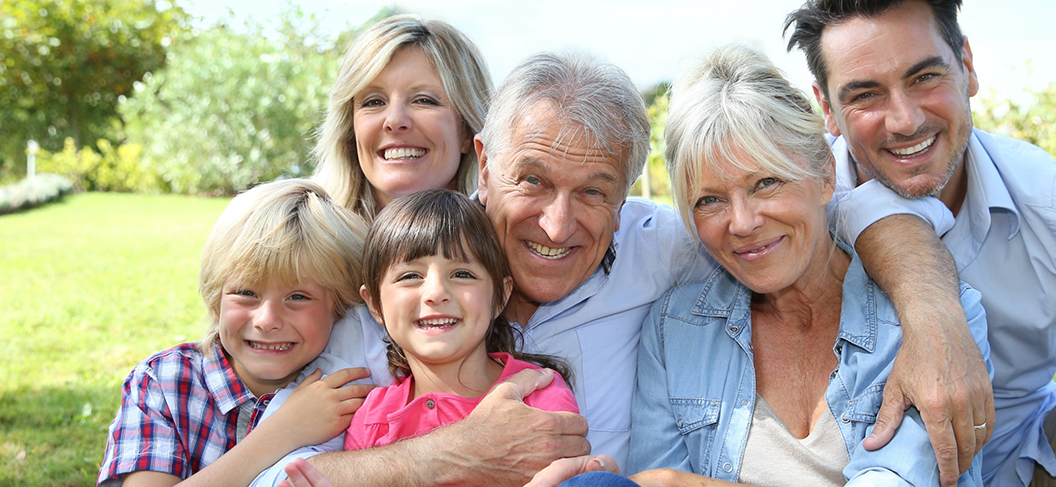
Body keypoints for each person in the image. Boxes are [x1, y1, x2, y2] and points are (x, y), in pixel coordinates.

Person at [251, 50, 987, 487]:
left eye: (593, 193)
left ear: (629, 192)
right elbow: (272, 479)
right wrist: (453, 452)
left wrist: (930, 304)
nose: (557, 224)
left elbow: (831, 212)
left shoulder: (670, 251)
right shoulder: (405, 289)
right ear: (483, 162)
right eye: (532, 181)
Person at [623, 44, 989, 487]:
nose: (741, 223)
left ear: (825, 176)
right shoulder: (675, 328)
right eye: (710, 200)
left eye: (766, 182)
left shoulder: (937, 322)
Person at [785, 1, 1056, 484]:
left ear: (967, 67)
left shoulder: (1045, 205)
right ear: (826, 109)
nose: (905, 121)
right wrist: (934, 315)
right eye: (865, 95)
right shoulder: (788, 212)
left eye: (925, 77)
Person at [96, 179, 375, 487]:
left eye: (297, 297)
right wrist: (283, 432)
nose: (267, 320)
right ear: (216, 297)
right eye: (246, 293)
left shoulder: (353, 391)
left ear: (339, 306)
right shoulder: (165, 383)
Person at [344, 189, 577, 451]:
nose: (436, 293)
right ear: (375, 303)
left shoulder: (538, 393)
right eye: (410, 276)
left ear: (500, 297)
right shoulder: (371, 420)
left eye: (462, 274)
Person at [311, 14, 494, 219]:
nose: (395, 121)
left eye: (423, 100)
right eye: (374, 102)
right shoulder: (293, 244)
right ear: (350, 129)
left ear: (467, 132)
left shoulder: (510, 246)